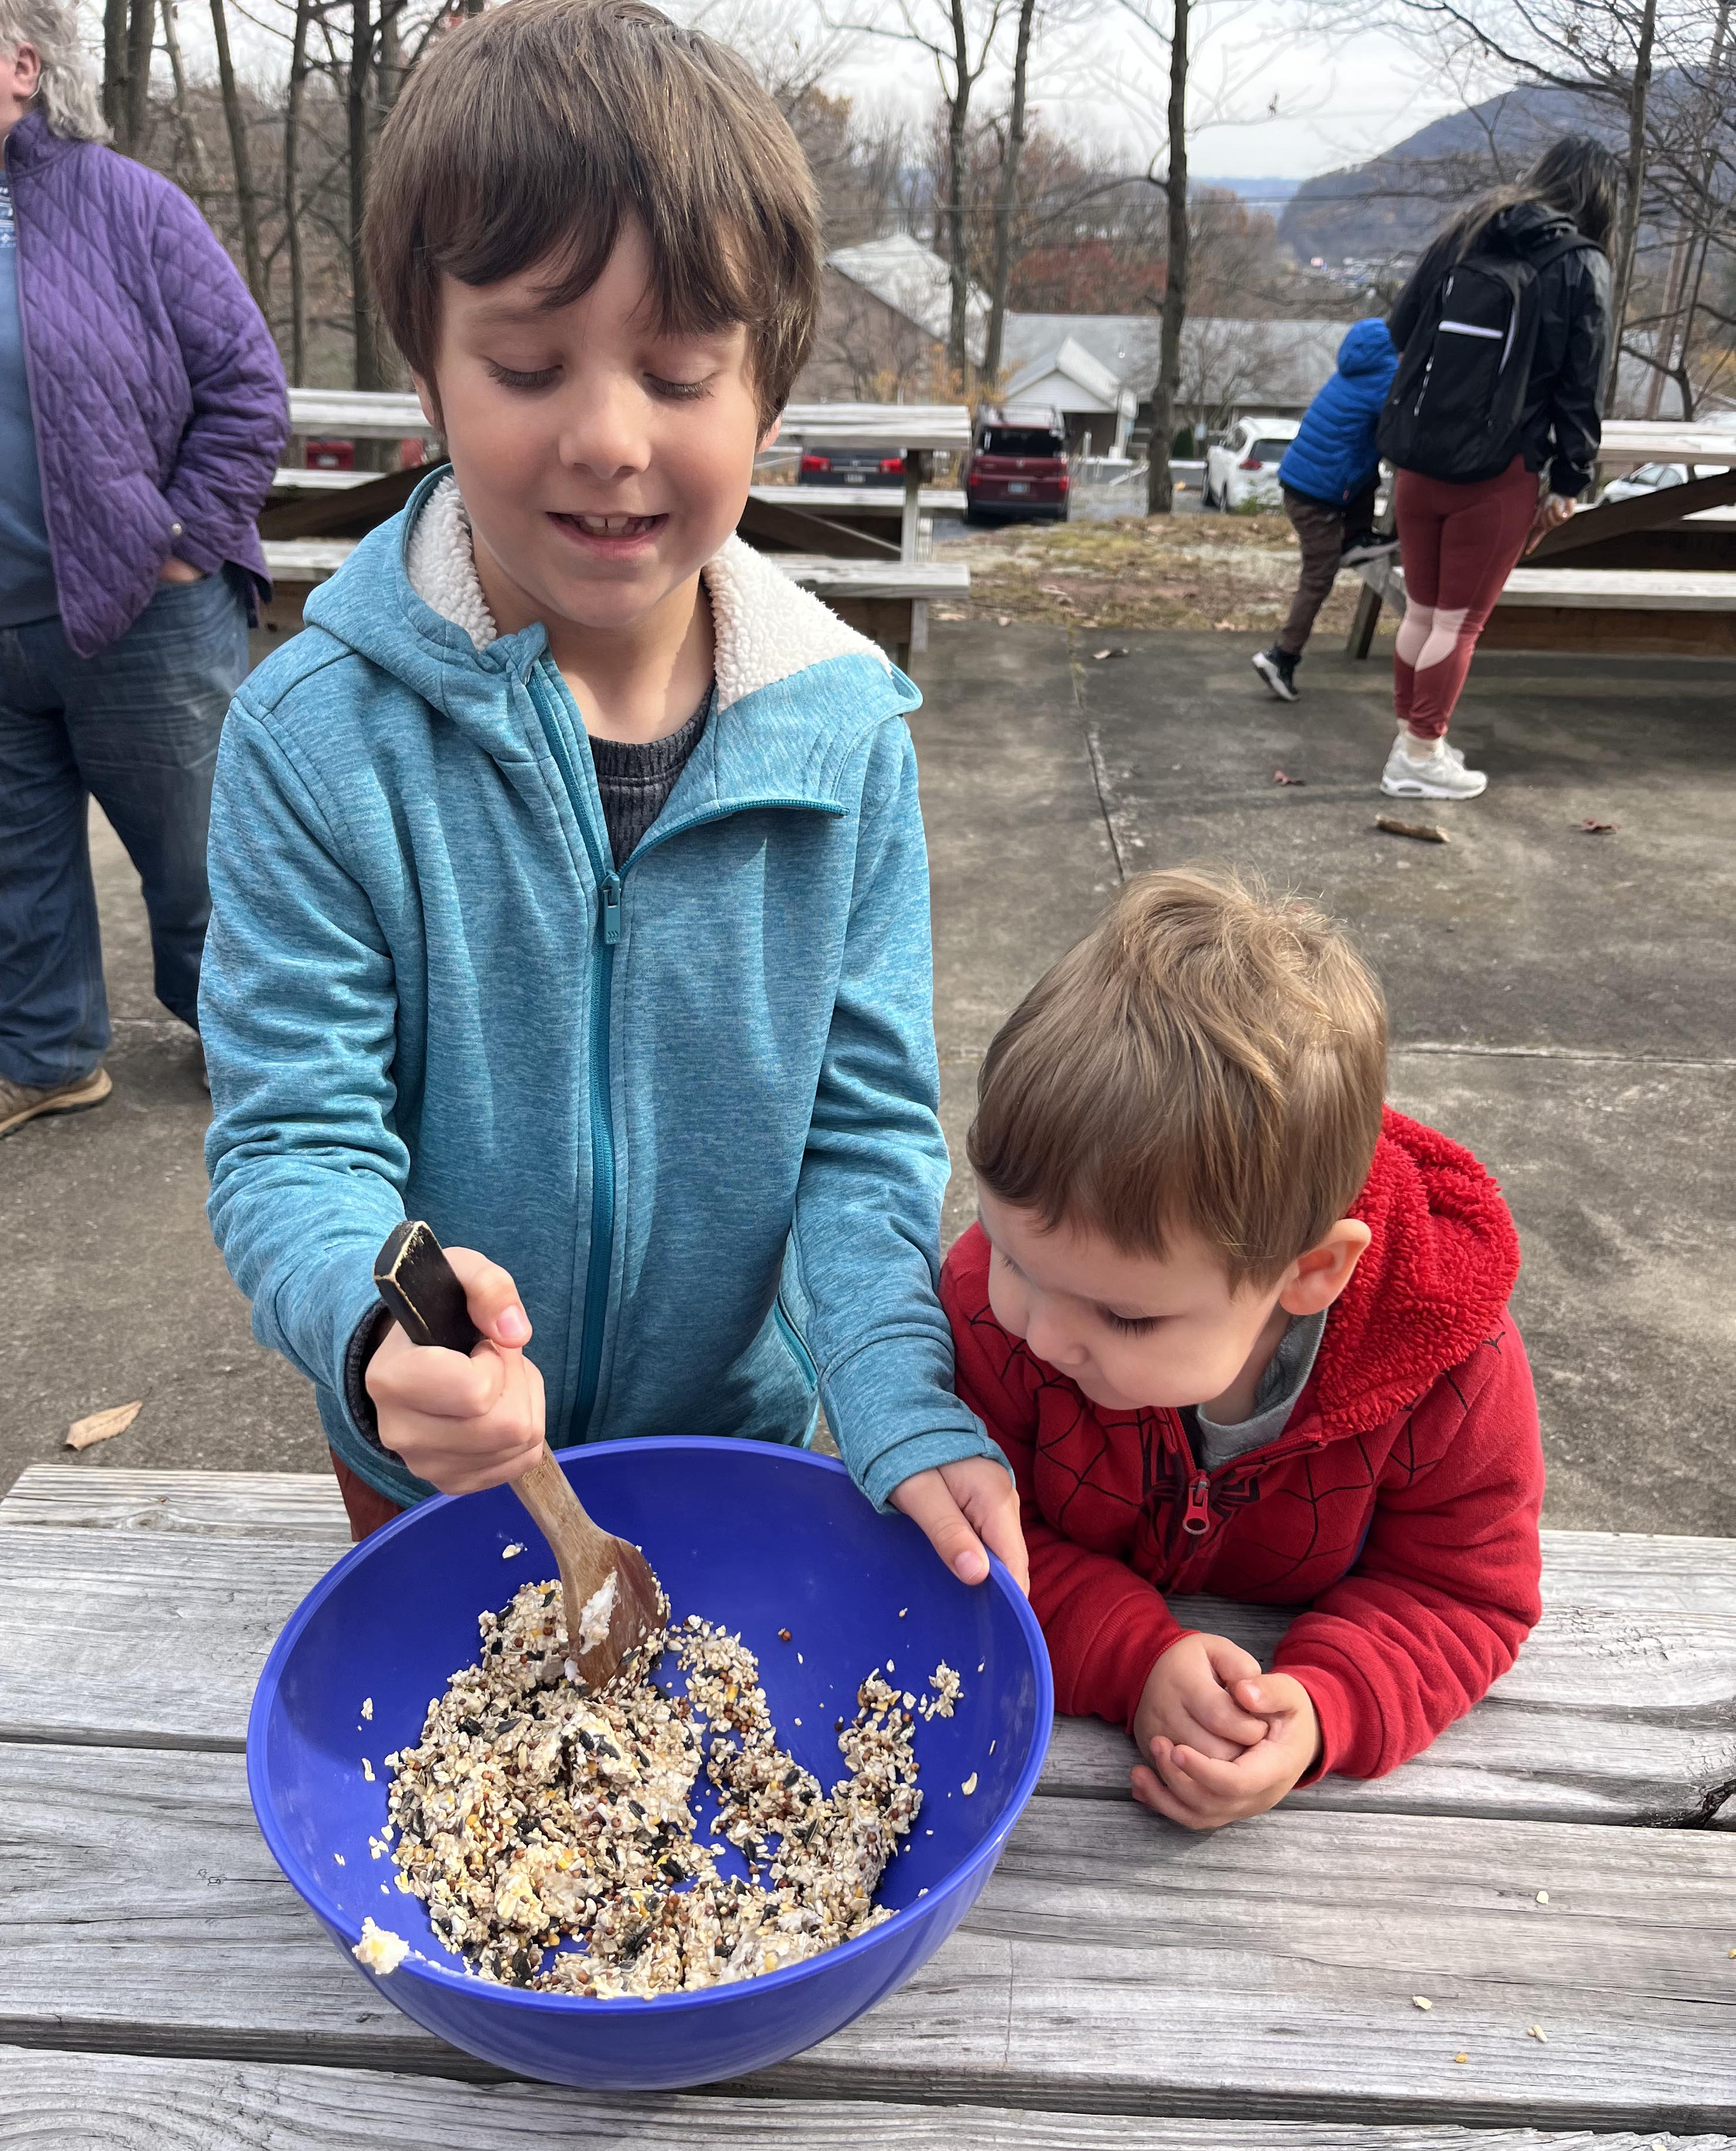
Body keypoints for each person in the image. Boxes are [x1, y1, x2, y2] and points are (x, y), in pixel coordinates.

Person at [200, 0, 1025, 1593]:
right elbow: (294, 1135)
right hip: (424, 1463)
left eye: (676, 370)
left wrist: (895, 1396)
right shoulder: (313, 737)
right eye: (522, 363)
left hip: (737, 1450)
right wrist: (379, 1338)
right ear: (429, 374)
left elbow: (864, 1137)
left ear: (767, 399)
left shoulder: (843, 736)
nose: (602, 436)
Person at [943, 869, 1545, 1830]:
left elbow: (1461, 1592)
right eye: (1011, 1255)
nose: (1040, 1333)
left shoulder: (1447, 1370)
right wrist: (1131, 1656)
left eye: (1124, 1319)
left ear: (1309, 1274)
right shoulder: (998, 1303)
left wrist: (1319, 1708)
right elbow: (971, 1540)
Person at [0, 0, 286, 1135]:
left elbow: (247, 385)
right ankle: (47, 1054)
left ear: (21, 65)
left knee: (202, 859)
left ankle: (252, 1048)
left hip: (142, 616)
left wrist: (182, 545)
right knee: (15, 871)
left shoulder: (127, 206)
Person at [1376, 134, 1619, 800]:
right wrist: (1571, 482)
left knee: (1422, 612)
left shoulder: (1468, 230)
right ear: (1599, 197)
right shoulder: (1580, 263)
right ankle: (1421, 758)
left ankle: (1413, 743)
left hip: (1418, 461)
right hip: (1498, 473)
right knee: (1458, 624)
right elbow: (1580, 387)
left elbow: (1400, 333)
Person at [1252, 318, 1397, 703]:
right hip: (1318, 496)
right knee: (1318, 576)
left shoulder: (1354, 370)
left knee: (1367, 473)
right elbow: (1401, 430)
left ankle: (1356, 537)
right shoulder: (1387, 380)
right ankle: (1282, 656)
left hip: (1302, 481)